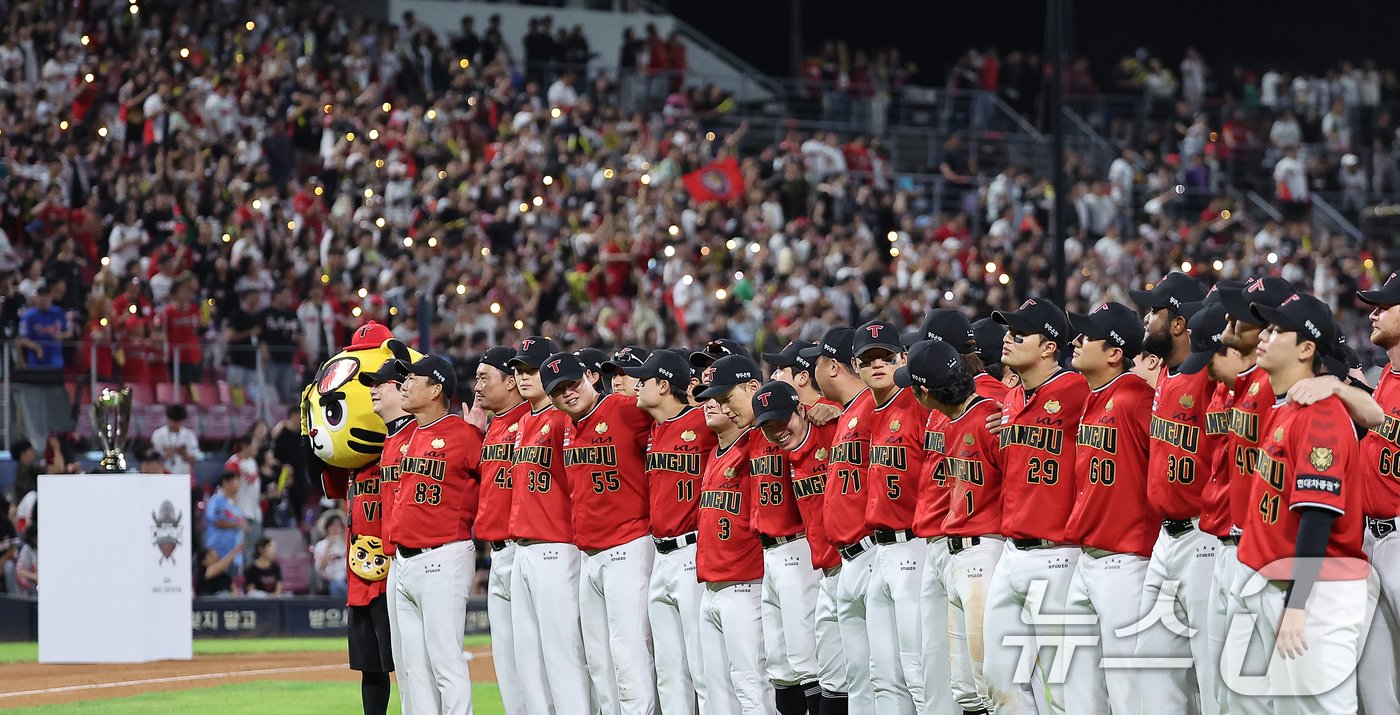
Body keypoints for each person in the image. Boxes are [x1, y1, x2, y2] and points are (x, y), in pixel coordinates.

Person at [1229, 292, 1371, 714]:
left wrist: (1297, 602)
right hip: (1288, 587)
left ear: (1307, 349)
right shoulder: (1289, 406)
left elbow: (1317, 516)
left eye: (1276, 330)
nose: (1264, 336)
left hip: (1317, 593)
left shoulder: (1320, 414)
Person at [982, 298, 1089, 715]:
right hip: (1011, 551)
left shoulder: (1077, 389)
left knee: (1061, 687)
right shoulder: (1011, 397)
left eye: (1020, 334)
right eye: (1009, 332)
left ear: (1049, 347)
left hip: (1057, 553)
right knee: (999, 677)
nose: (1008, 339)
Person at [899, 309, 1003, 714]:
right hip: (951, 547)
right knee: (963, 685)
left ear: (926, 391)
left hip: (984, 548)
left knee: (991, 681)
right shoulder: (950, 415)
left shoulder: (991, 413)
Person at [541, 351, 657, 715]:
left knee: (628, 652)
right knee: (599, 659)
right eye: (558, 390)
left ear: (589, 378)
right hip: (589, 554)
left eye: (573, 383)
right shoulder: (564, 426)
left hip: (629, 545)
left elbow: (673, 421)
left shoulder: (625, 409)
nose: (568, 393)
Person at [705, 355, 822, 715]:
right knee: (780, 668)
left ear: (753, 388)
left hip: (797, 547)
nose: (725, 408)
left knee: (806, 661)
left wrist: (825, 407)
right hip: (770, 555)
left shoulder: (796, 421)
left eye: (728, 398)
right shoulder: (754, 433)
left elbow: (817, 410)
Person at [1129, 272, 1221, 715]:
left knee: (1213, 673)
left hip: (1204, 536)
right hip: (1166, 540)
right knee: (1151, 664)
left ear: (1180, 323)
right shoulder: (1166, 372)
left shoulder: (1210, 375)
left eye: (1155, 312)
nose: (1147, 319)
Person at [1060, 302, 1156, 714]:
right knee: (1077, 691)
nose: (1076, 342)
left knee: (1128, 692)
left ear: (1115, 353)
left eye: (1087, 337)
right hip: (1088, 558)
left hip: (1126, 561)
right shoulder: (1095, 396)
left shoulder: (1136, 397)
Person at [390, 354, 482, 715]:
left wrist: (481, 434)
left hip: (443, 557)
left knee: (446, 664)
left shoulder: (465, 435)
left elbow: (494, 482)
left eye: (413, 378)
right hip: (405, 561)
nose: (405, 384)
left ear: (435, 389)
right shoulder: (414, 433)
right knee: (415, 670)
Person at [750, 377, 849, 712]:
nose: (777, 431)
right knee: (823, 675)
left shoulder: (831, 427)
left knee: (870, 674)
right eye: (768, 426)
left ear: (802, 410)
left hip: (856, 559)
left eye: (783, 420)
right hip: (828, 568)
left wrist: (836, 410)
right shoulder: (790, 451)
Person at [626, 349, 715, 715]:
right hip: (661, 555)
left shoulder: (704, 420)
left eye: (643, 380)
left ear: (664, 386)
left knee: (703, 667)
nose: (636, 386)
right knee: (669, 671)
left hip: (692, 551)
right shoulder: (654, 428)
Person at [506, 337, 591, 715]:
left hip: (557, 546)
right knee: (528, 659)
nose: (523, 377)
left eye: (531, 369)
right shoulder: (525, 420)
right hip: (523, 548)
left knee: (562, 654)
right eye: (518, 370)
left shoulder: (562, 420)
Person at [799, 326, 877, 715]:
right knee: (858, 681)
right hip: (847, 558)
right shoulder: (846, 410)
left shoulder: (873, 406)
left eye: (815, 363)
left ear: (832, 366)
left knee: (890, 676)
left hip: (872, 550)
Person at [694, 376, 775, 715]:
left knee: (751, 685)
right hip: (710, 587)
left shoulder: (755, 442)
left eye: (722, 398)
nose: (712, 404)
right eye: (708, 398)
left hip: (744, 584)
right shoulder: (716, 451)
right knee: (716, 693)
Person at [472, 346, 531, 715]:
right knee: (507, 662)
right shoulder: (493, 425)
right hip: (497, 553)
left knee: (536, 660)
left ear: (511, 382)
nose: (477, 386)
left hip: (526, 547)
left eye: (484, 377)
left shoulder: (532, 418)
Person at [205, 472, 248, 573]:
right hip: (217, 554)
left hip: (234, 555)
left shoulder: (237, 506)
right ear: (225, 482)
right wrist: (236, 524)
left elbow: (242, 527)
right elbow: (216, 521)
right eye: (235, 481)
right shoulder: (216, 500)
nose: (238, 485)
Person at [151, 404, 203, 479]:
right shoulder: (158, 434)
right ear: (168, 419)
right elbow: (152, 461)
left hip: (183, 475)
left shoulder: (189, 435)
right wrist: (167, 454)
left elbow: (195, 460)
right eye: (174, 422)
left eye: (179, 422)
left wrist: (184, 453)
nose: (176, 424)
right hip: (163, 475)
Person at [315, 513, 348, 599]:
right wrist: (329, 547)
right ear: (327, 527)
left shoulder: (347, 545)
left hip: (347, 579)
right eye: (332, 525)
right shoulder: (321, 545)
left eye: (338, 526)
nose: (335, 529)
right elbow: (321, 568)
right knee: (337, 586)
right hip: (330, 581)